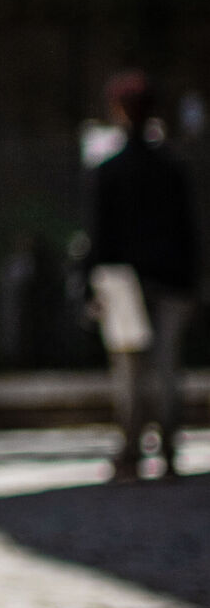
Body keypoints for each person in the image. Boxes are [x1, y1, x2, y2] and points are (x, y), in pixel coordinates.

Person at [90, 71, 200, 480]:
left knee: (130, 370)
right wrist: (192, 282)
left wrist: (93, 285)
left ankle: (131, 450)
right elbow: (189, 229)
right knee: (169, 369)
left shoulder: (110, 169)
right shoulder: (172, 166)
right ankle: (168, 451)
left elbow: (100, 234)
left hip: (126, 281)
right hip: (171, 279)